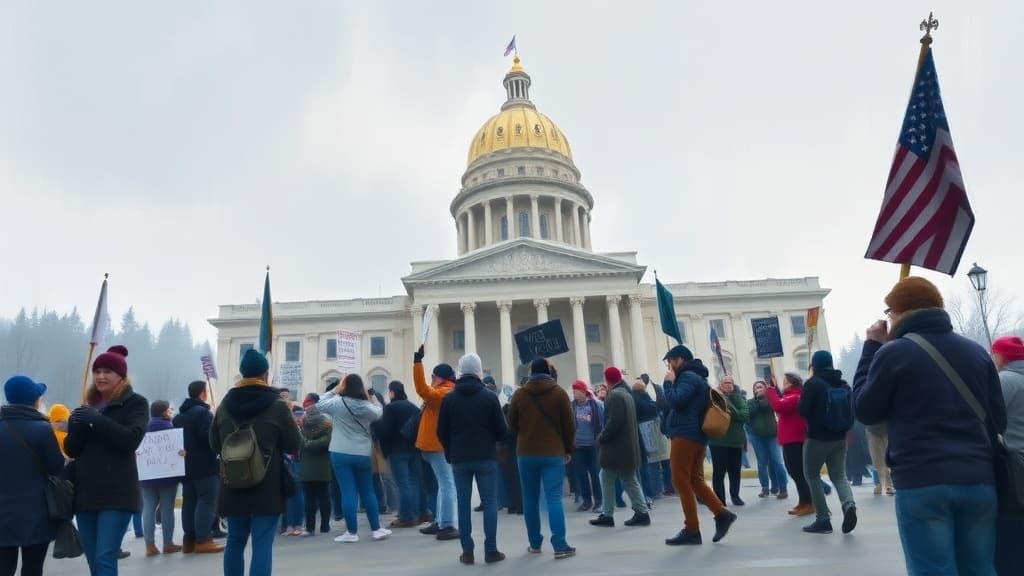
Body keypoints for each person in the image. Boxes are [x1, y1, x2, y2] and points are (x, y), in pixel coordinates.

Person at [853, 277, 1006, 575]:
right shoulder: (975, 352)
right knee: (981, 569)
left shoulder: (892, 353)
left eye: (889, 312)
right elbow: (997, 419)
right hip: (978, 479)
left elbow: (865, 409)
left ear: (898, 312)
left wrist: (871, 348)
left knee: (933, 569)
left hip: (923, 479)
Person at [211, 349, 302, 576]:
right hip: (267, 482)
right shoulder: (277, 405)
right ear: (265, 373)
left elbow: (213, 444)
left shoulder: (224, 405)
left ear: (242, 373)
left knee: (235, 541)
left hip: (232, 480)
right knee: (262, 543)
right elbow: (294, 444)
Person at [65, 345, 149, 576]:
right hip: (86, 494)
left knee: (104, 557)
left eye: (107, 372)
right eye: (97, 371)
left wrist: (98, 421)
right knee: (93, 559)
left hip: (118, 494)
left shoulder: (136, 403)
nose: (101, 376)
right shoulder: (88, 405)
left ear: (120, 376)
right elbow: (72, 450)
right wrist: (78, 424)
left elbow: (131, 439)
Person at [436, 353, 509, 565]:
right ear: (479, 371)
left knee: (463, 504)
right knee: (489, 503)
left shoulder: (449, 398)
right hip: (485, 456)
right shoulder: (489, 397)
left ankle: (467, 551)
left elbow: (441, 431)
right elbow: (501, 430)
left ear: (460, 371)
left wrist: (450, 452)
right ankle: (491, 550)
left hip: (459, 457)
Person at [662, 345, 737, 546]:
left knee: (680, 481)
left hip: (685, 434)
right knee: (695, 480)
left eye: (671, 361)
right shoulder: (698, 378)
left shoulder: (687, 377)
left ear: (680, 360)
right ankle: (722, 514)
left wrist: (668, 384)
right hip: (695, 434)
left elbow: (676, 401)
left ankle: (692, 529)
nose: (669, 366)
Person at [506, 358, 577, 560]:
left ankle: (535, 544)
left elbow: (511, 423)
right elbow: (569, 425)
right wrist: (568, 448)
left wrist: (525, 434)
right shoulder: (559, 393)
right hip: (553, 452)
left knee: (530, 499)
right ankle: (560, 545)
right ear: (548, 371)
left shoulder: (520, 394)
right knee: (554, 498)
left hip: (526, 453)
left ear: (530, 373)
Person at [0, 375, 64, 576]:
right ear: (34, 400)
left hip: (1, 514)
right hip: (36, 512)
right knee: (33, 568)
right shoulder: (43, 429)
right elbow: (56, 467)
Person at [316, 374, 389, 543]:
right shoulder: (367, 407)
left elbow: (319, 403)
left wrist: (335, 390)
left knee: (347, 492)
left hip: (340, 452)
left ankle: (351, 532)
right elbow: (379, 412)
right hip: (363, 453)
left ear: (344, 386)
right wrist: (372, 397)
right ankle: (376, 529)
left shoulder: (337, 403)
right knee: (368, 491)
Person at [797, 350, 857, 535]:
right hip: (839, 437)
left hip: (817, 438)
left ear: (814, 365)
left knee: (812, 475)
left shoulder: (813, 384)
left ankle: (823, 519)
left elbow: (803, 410)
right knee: (839, 476)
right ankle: (849, 505)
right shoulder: (843, 383)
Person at [590, 367, 650, 528]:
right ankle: (641, 512)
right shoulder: (626, 393)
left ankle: (608, 514)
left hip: (617, 448)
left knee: (607, 476)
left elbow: (614, 421)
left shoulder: (614, 395)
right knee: (628, 479)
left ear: (607, 379)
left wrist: (601, 437)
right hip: (626, 446)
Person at [412, 346, 460, 541]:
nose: (431, 380)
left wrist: (417, 363)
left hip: (437, 445)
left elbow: (422, 389)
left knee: (446, 484)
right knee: (444, 484)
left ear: (440, 378)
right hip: (435, 445)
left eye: (433, 377)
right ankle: (442, 521)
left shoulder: (444, 393)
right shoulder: (443, 391)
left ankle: (446, 524)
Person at [173, 380, 224, 554]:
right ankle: (203, 539)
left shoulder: (178, 417)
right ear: (203, 393)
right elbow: (207, 438)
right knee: (207, 500)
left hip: (184, 465)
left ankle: (189, 540)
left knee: (189, 502)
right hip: (204, 465)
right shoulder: (203, 413)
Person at [992, 336, 1024, 576]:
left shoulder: (1005, 380)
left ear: (1001, 356)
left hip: (1013, 470)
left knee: (1009, 542)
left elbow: (989, 417)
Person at [372, 380, 422, 529]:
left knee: (402, 484)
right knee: (413, 482)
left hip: (397, 450)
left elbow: (385, 430)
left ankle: (405, 517)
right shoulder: (413, 407)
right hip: (413, 449)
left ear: (392, 392)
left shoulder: (391, 408)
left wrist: (376, 427)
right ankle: (414, 513)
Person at [766, 373, 814, 516]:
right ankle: (803, 501)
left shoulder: (795, 397)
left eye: (785, 381)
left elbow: (778, 405)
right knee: (794, 472)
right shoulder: (791, 396)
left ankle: (808, 502)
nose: (783, 383)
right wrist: (775, 389)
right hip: (789, 440)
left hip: (794, 440)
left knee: (798, 472)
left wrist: (770, 391)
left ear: (792, 383)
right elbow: (781, 401)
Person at [140, 400, 183, 556]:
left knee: (148, 508)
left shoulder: (142, 429)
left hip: (146, 476)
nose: (170, 413)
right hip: (168, 476)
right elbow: (178, 451)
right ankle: (167, 543)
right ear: (164, 412)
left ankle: (149, 545)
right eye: (169, 410)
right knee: (167, 509)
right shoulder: (171, 429)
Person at [707, 376, 749, 507]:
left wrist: (732, 408)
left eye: (730, 383)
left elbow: (745, 415)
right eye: (725, 383)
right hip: (718, 440)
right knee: (719, 471)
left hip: (735, 441)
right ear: (720, 385)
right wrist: (733, 411)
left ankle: (735, 496)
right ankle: (720, 498)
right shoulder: (714, 397)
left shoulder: (739, 398)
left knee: (735, 470)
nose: (729, 385)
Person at [747, 380, 788, 499]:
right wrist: (759, 399)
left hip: (772, 435)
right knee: (762, 463)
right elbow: (750, 412)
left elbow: (767, 407)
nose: (758, 389)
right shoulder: (750, 402)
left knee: (777, 461)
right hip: (757, 436)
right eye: (756, 388)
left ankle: (783, 488)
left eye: (760, 387)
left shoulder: (771, 400)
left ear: (765, 389)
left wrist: (765, 397)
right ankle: (765, 487)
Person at [299, 394, 332, 535]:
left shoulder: (303, 423)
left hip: (307, 464)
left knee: (309, 498)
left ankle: (310, 527)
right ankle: (325, 526)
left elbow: (301, 442)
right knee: (323, 496)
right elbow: (327, 442)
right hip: (323, 464)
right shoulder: (327, 423)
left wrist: (306, 444)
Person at [571, 380, 604, 512]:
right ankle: (586, 501)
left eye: (577, 391)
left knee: (595, 475)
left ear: (584, 392)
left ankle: (599, 501)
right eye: (573, 392)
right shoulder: (572, 406)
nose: (575, 394)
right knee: (582, 475)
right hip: (578, 446)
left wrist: (599, 438)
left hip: (592, 445)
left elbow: (602, 422)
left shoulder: (595, 406)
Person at [865, 423, 893, 496]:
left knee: (888, 458)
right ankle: (879, 484)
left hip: (887, 429)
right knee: (876, 459)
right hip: (873, 430)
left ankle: (888, 485)